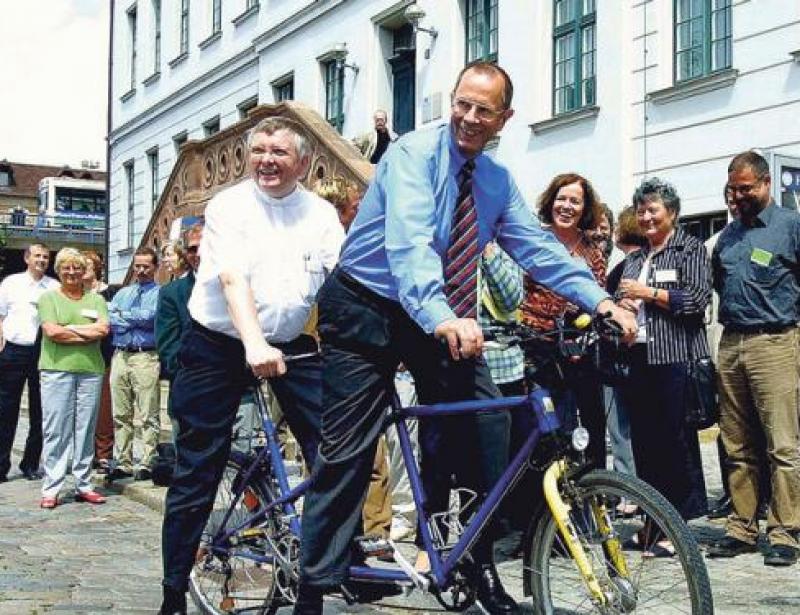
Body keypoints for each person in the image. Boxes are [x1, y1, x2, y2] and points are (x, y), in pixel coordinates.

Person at [293, 62, 636, 615]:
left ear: (505, 118)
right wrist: (442, 316)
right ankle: (313, 586)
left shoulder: (495, 180)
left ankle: (477, 572)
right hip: (364, 305)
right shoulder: (411, 156)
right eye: (463, 104)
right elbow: (409, 246)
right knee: (349, 446)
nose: (469, 118)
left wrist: (599, 299)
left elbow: (538, 249)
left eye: (484, 110)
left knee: (485, 425)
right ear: (452, 101)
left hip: (431, 310)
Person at [159, 116, 344, 615]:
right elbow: (232, 280)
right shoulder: (229, 205)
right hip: (218, 342)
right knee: (198, 466)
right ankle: (173, 592)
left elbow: (342, 281)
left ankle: (314, 583)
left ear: (303, 162)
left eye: (279, 152)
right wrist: (254, 344)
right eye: (258, 150)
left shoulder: (322, 213)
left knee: (335, 450)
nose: (266, 160)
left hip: (288, 342)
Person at [707, 151, 800, 567]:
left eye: (746, 188)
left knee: (783, 443)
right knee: (737, 442)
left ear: (765, 184)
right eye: (733, 189)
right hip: (732, 344)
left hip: (777, 342)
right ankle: (741, 528)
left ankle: (786, 531)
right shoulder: (727, 237)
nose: (738, 196)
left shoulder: (791, 227)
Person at [615, 177, 710, 554]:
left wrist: (647, 294)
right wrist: (622, 313)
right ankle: (652, 524)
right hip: (638, 358)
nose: (646, 217)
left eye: (653, 209)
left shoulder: (690, 249)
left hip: (675, 358)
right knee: (646, 445)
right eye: (641, 211)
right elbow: (622, 300)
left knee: (675, 445)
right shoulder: (636, 258)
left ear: (671, 212)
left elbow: (696, 301)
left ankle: (677, 528)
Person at [520, 173, 608, 470]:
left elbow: (597, 293)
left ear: (585, 208)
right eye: (561, 199)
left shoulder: (592, 251)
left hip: (576, 349)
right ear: (550, 202)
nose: (567, 206)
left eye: (575, 201)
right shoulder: (534, 239)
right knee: (542, 425)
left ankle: (588, 488)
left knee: (584, 423)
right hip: (534, 344)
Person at [37, 248, 109, 508]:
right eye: (66, 267)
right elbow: (52, 332)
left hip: (90, 369)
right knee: (56, 428)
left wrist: (70, 330)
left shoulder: (96, 300)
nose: (72, 272)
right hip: (57, 369)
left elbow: (103, 329)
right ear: (58, 270)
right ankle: (52, 487)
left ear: (84, 271)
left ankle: (84, 483)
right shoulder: (48, 298)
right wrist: (84, 332)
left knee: (86, 428)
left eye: (77, 268)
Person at [0, 243, 59, 482]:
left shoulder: (54, 287)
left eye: (45, 257)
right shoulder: (10, 283)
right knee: (5, 411)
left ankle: (31, 463)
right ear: (27, 258)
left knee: (39, 411)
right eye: (37, 256)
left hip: (41, 352)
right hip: (13, 350)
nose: (41, 260)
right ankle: (1, 464)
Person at [107, 247, 162, 482]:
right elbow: (110, 318)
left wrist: (125, 316)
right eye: (137, 266)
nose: (140, 271)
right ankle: (123, 462)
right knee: (121, 413)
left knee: (148, 412)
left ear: (155, 268)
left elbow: (151, 318)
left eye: (145, 267)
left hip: (145, 356)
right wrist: (131, 317)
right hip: (120, 355)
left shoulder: (160, 293)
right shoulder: (122, 294)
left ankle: (147, 461)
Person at [604, 207, 647, 480]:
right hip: (641, 353)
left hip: (621, 353)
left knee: (621, 426)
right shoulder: (645, 261)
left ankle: (627, 486)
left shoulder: (624, 267)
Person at [81, 250, 119, 474]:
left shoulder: (111, 292)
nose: (80, 270)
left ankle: (104, 454)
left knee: (104, 409)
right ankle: (84, 454)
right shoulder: (74, 294)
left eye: (85, 265)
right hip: (80, 354)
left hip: (105, 354)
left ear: (96, 267)